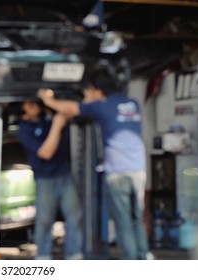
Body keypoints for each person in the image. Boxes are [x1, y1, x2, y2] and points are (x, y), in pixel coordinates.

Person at [37, 64, 150, 260]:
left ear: (97, 89)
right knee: (136, 218)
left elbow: (71, 108)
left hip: (118, 174)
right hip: (139, 170)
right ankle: (143, 256)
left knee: (123, 221)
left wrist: (48, 99)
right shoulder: (133, 104)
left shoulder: (102, 106)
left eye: (89, 89)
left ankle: (131, 262)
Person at [17, 100, 83, 260]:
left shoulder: (47, 119)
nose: (34, 106)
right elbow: (46, 152)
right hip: (45, 178)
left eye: (35, 102)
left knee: (75, 215)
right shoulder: (24, 129)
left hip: (64, 174)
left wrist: (52, 103)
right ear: (22, 106)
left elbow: (68, 112)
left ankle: (75, 255)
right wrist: (57, 126)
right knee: (45, 219)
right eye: (29, 103)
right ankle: (43, 256)